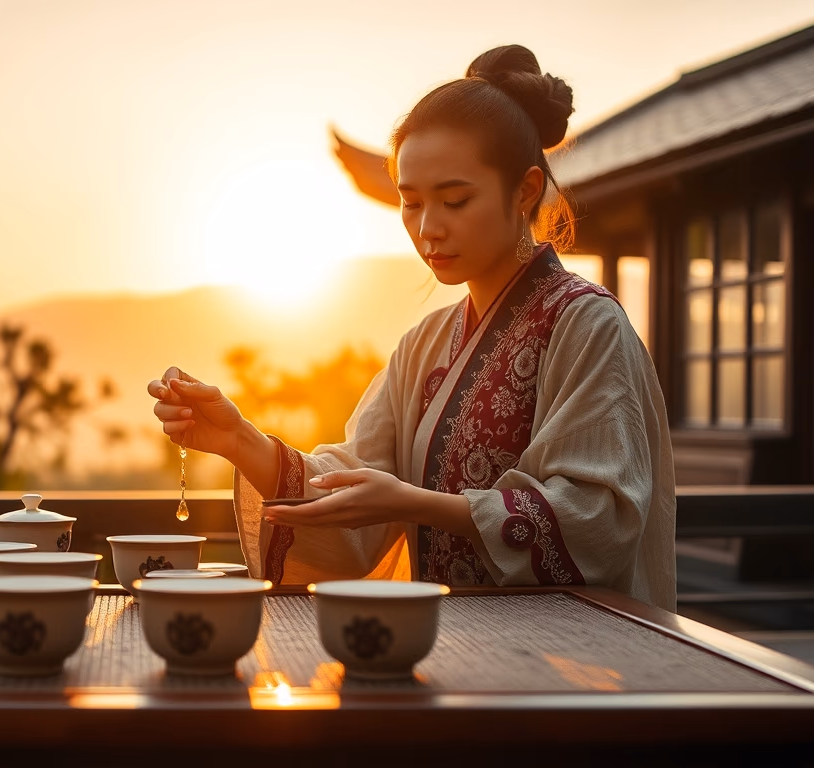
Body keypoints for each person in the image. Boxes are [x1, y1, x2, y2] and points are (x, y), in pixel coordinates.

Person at [148, 45, 675, 610]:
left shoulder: (588, 327)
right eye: (411, 203)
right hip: (444, 649)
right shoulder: (426, 343)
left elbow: (598, 520)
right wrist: (240, 440)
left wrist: (414, 504)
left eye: (454, 200)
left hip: (566, 662)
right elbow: (354, 481)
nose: (428, 229)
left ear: (523, 192)